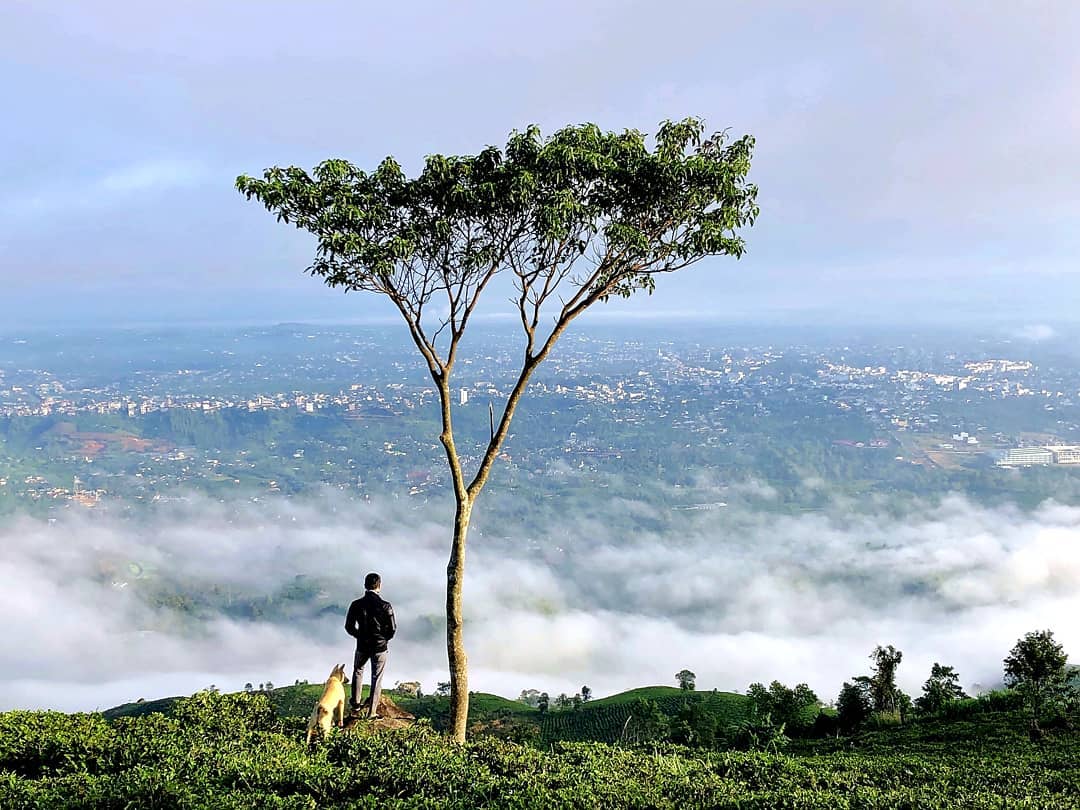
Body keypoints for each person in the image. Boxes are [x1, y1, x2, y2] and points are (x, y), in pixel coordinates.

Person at [344, 572, 396, 718]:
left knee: (358, 670)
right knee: (376, 677)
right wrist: (384, 639)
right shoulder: (386, 606)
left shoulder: (356, 604)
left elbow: (349, 626)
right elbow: (392, 629)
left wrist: (359, 636)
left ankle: (355, 705)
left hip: (362, 645)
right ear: (379, 585)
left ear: (365, 585)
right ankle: (371, 712)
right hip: (380, 647)